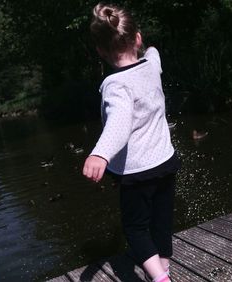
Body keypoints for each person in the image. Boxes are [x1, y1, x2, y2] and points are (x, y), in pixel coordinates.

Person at [82, 3, 180, 282]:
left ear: (100, 51)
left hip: (137, 174)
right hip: (165, 162)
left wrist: (100, 154)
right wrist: (146, 48)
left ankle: (160, 280)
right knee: (162, 223)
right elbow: (154, 52)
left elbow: (119, 124)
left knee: (136, 230)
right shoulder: (151, 65)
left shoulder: (116, 86)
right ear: (137, 38)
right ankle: (163, 269)